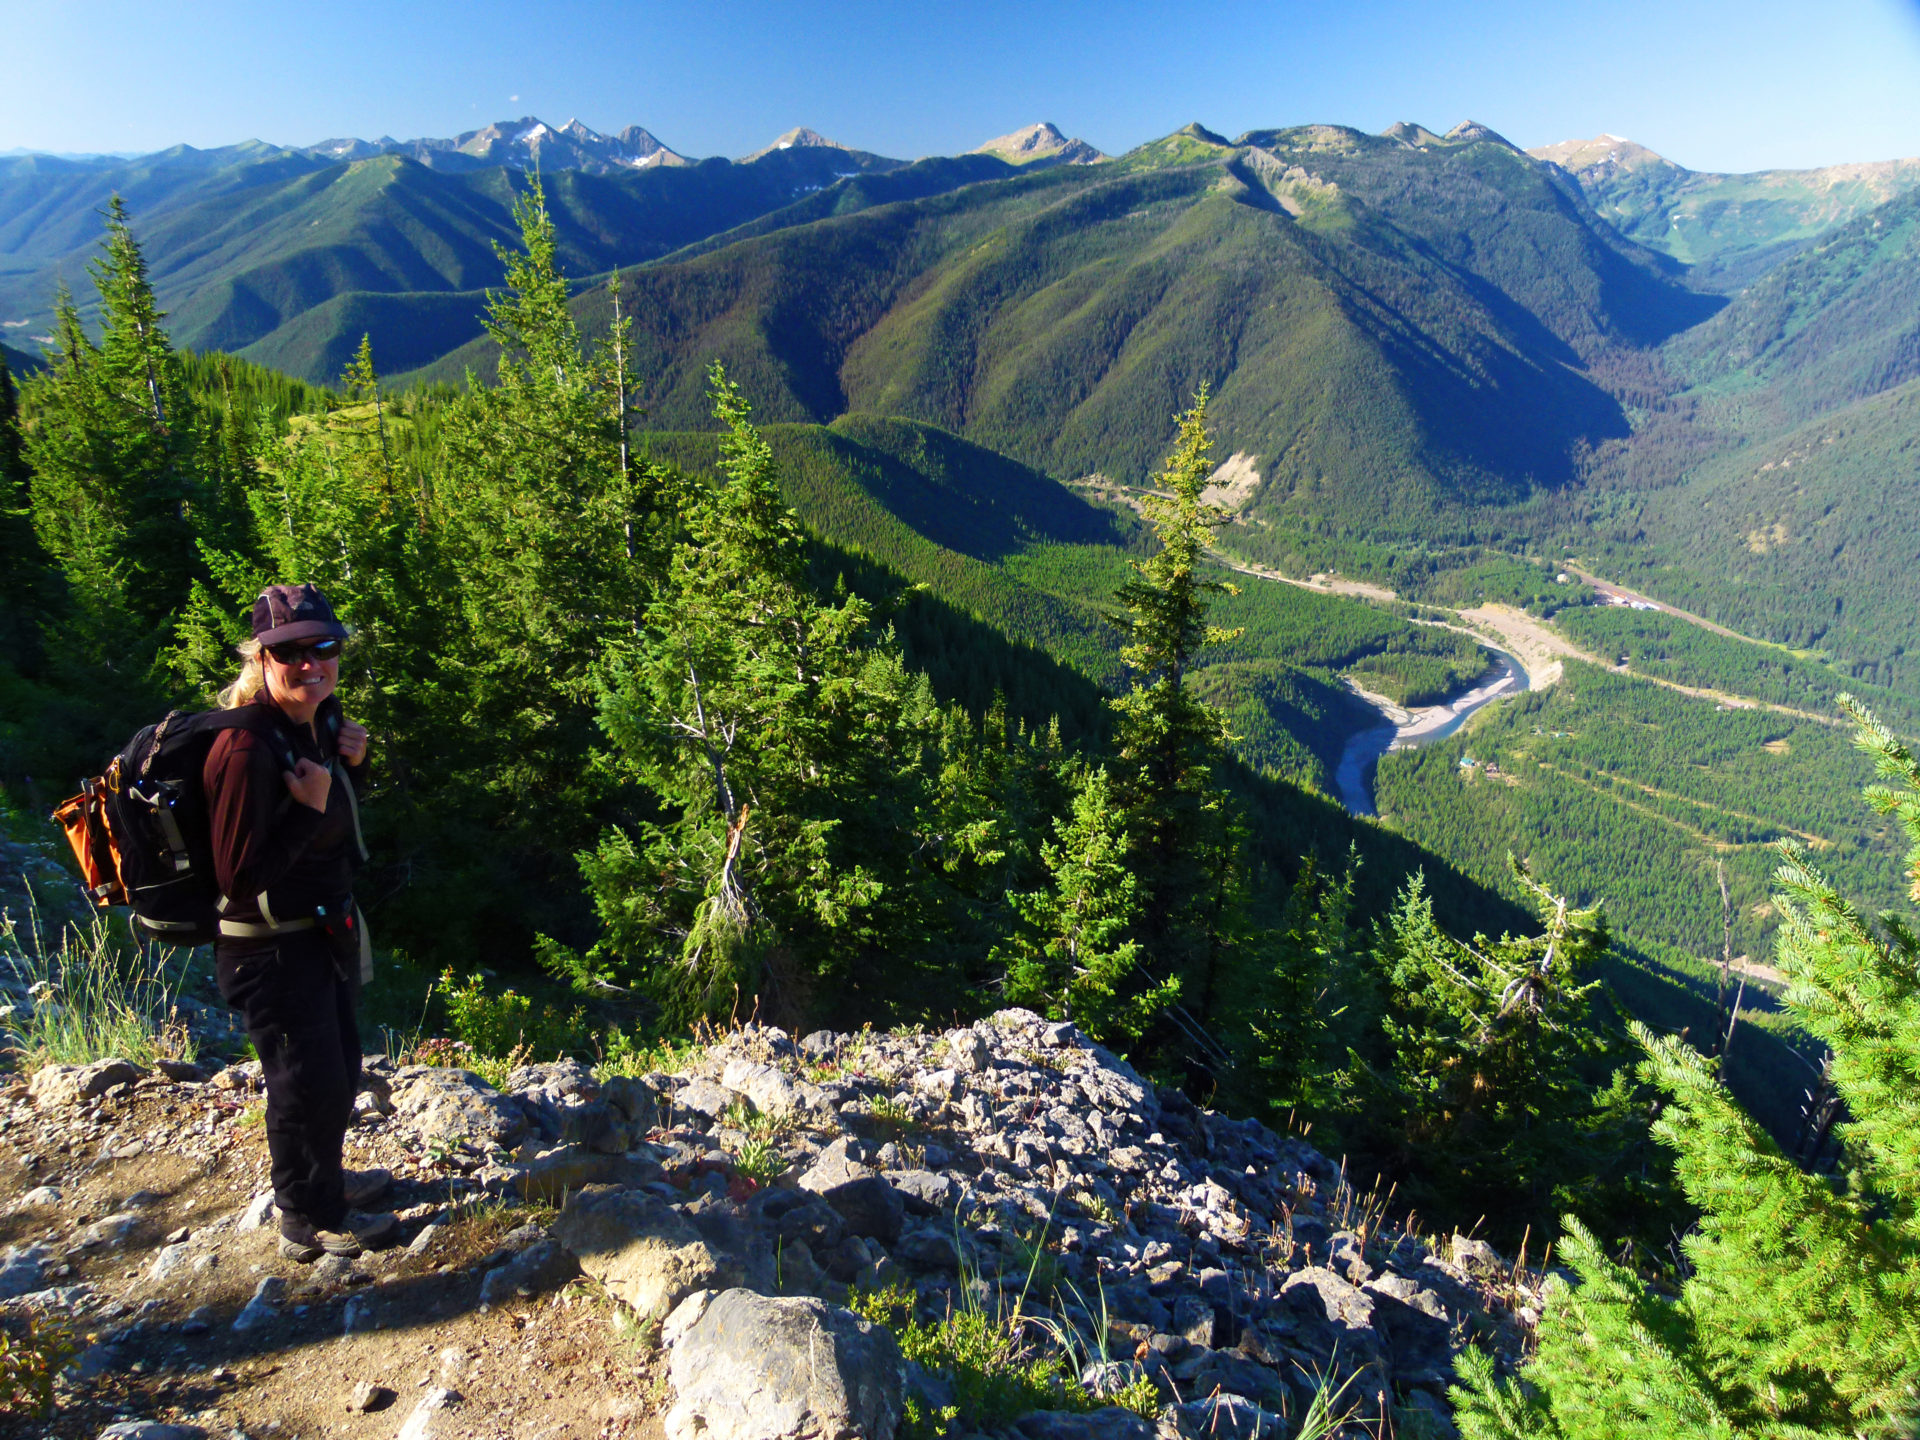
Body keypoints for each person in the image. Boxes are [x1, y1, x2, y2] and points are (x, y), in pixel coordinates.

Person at [204, 583, 394, 1261]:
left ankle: (326, 1184)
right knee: (300, 1080)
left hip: (319, 931)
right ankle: (307, 1215)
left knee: (339, 1070)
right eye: (292, 651)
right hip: (268, 949)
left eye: (326, 647)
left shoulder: (316, 721)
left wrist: (353, 768)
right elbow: (237, 877)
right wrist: (310, 809)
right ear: (261, 658)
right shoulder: (244, 749)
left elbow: (332, 820)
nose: (312, 662)